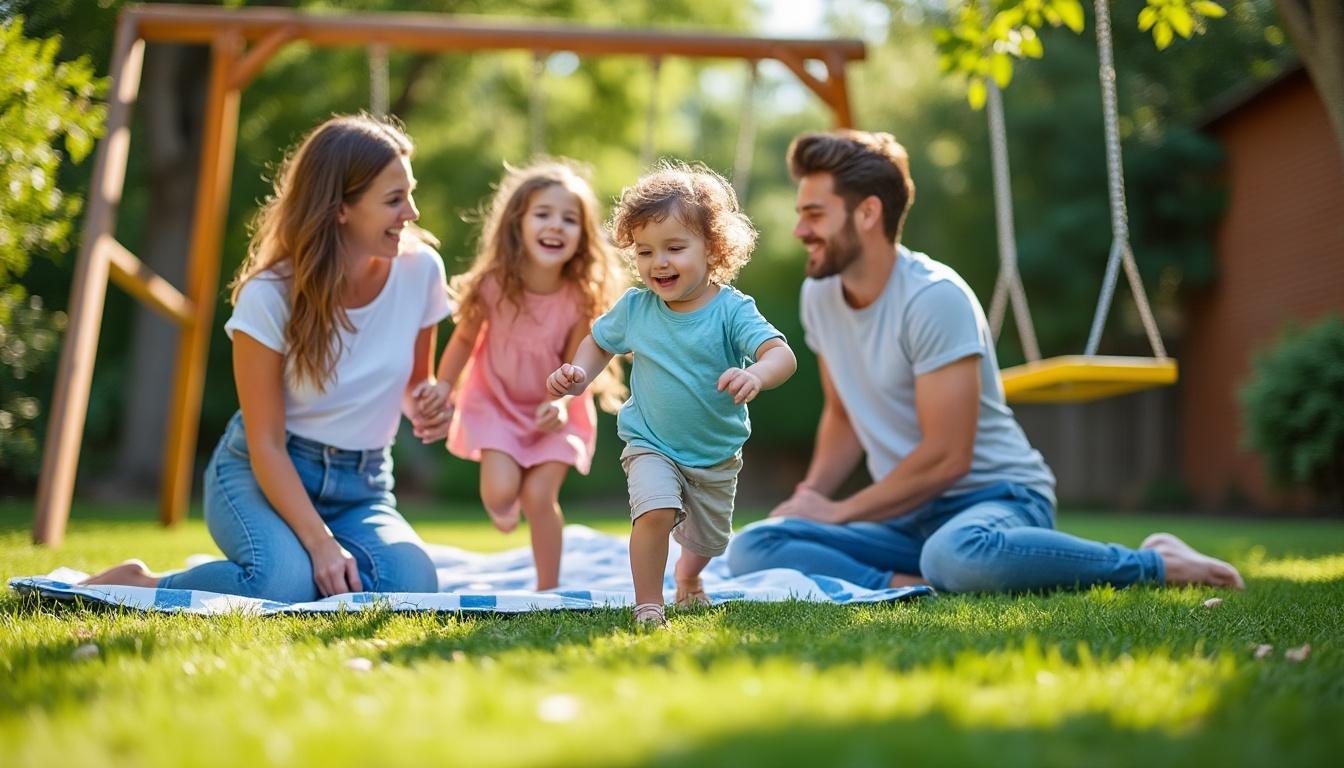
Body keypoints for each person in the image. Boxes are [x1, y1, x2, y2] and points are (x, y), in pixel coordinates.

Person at [726, 129, 1244, 593]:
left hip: (999, 499)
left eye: (814, 214)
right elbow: (843, 412)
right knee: (757, 545)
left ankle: (1154, 564)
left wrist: (838, 511)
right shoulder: (820, 296)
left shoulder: (934, 298)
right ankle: (911, 583)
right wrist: (810, 496)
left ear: (867, 214)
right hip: (906, 516)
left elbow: (948, 457)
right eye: (801, 214)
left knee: (957, 555)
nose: (799, 230)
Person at [82, 114, 447, 600]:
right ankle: (144, 584)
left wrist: (432, 403)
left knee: (412, 582)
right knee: (282, 582)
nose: (413, 213)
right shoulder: (269, 295)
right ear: (340, 208)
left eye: (411, 192)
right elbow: (266, 444)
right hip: (261, 473)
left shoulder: (422, 271)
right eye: (394, 199)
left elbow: (414, 386)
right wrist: (321, 544)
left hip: (362, 483)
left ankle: (313, 557)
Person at [546, 161, 798, 627]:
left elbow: (781, 353)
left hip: (714, 454)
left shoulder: (731, 310)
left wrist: (758, 374)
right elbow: (598, 342)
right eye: (645, 252)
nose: (658, 262)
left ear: (713, 249)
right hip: (651, 443)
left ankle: (689, 575)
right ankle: (648, 605)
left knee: (706, 543)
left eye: (675, 248)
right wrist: (578, 374)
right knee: (655, 511)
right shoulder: (636, 308)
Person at [419, 159, 627, 590]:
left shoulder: (579, 298)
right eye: (543, 214)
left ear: (582, 237)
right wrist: (443, 385)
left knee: (539, 496)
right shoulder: (494, 283)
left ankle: (547, 588)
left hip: (554, 411)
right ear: (518, 222)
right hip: (494, 402)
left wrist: (562, 403)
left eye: (569, 219)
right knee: (499, 493)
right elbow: (462, 340)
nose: (556, 226)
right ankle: (501, 508)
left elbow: (575, 368)